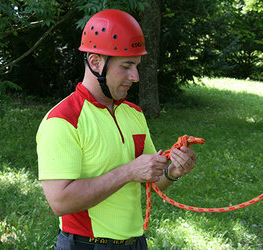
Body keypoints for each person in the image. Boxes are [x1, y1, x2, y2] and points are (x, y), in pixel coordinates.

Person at [36, 9, 197, 250]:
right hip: (86, 245)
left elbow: (151, 181)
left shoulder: (133, 113)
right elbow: (60, 201)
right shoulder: (63, 120)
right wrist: (128, 172)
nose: (135, 76)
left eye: (137, 66)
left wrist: (172, 171)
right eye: (126, 66)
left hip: (136, 243)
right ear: (95, 62)